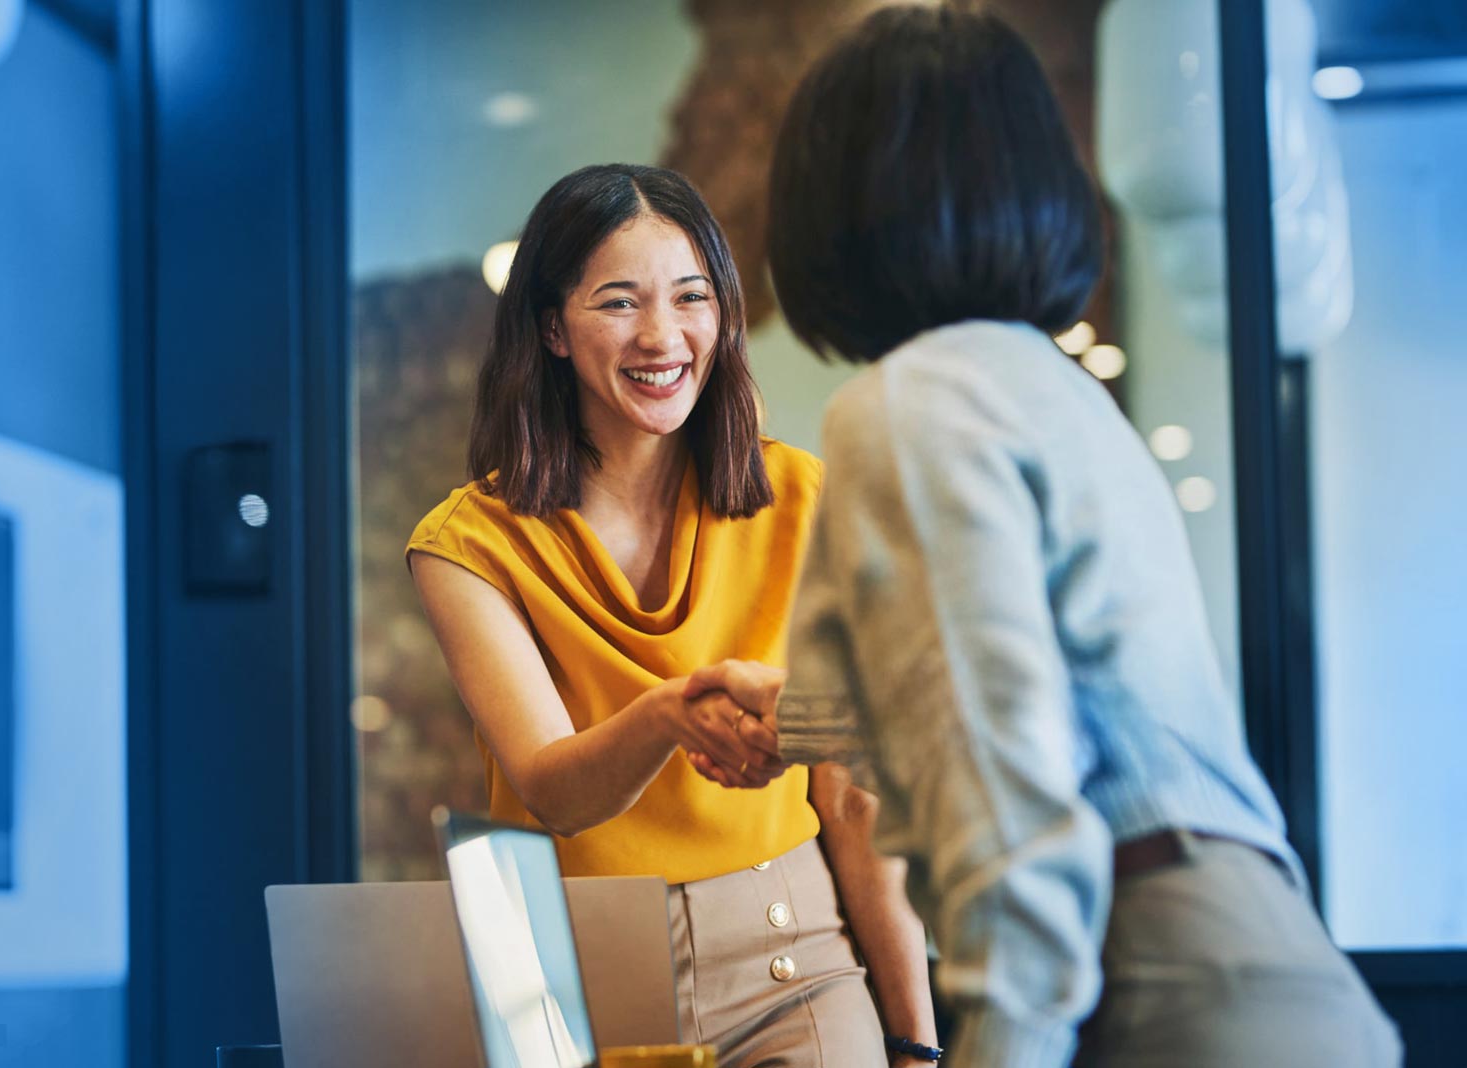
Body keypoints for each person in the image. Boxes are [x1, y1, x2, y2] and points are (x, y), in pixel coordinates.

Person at [684, 6, 1403, 1067]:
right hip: (1259, 959)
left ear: (835, 202)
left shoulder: (910, 407)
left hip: (1156, 978)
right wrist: (797, 723)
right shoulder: (1050, 390)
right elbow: (1064, 701)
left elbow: (1010, 810)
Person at [406, 163, 937, 1067]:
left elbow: (852, 797)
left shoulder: (804, 499)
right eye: (618, 303)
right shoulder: (467, 546)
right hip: (575, 984)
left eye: (692, 297)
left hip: (795, 959)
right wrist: (666, 713)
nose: (663, 336)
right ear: (552, 330)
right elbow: (553, 792)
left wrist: (917, 1044)